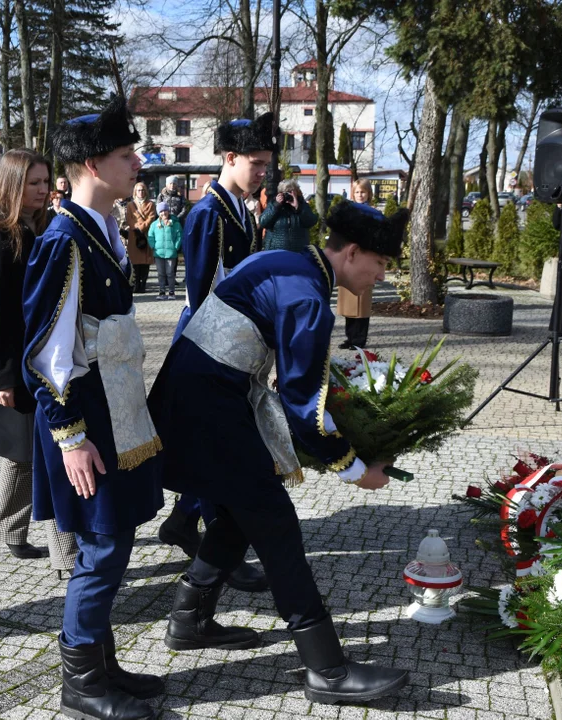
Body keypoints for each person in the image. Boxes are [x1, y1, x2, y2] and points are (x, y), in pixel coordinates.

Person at [148, 201, 412, 705]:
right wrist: (354, 469)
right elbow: (300, 401)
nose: (381, 277)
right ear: (353, 252)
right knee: (275, 522)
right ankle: (327, 670)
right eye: (379, 266)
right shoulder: (307, 294)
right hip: (210, 407)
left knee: (240, 509)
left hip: (199, 395)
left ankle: (189, 618)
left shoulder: (287, 259)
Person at [23, 95, 164, 720]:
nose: (138, 163)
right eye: (126, 154)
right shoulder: (65, 241)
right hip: (84, 421)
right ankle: (80, 681)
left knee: (115, 539)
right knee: (102, 547)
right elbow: (45, 353)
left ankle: (100, 662)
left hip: (114, 412)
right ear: (89, 163)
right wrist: (70, 437)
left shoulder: (100, 229)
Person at [158, 113, 275, 594]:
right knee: (218, 448)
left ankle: (184, 521)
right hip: (210, 345)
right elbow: (200, 292)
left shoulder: (240, 208)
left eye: (267, 163)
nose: (264, 171)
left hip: (231, 342)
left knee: (217, 445)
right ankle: (214, 553)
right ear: (229, 158)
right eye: (256, 162)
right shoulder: (210, 213)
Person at [0, 149, 79, 573]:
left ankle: (5, 530)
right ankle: (67, 555)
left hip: (36, 363)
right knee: (52, 452)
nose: (44, 188)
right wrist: (0, 376)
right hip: (15, 369)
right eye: (34, 182)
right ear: (13, 184)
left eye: (46, 180)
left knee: (26, 453)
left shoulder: (32, 228)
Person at [336, 179, 375, 348]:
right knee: (349, 300)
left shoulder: (373, 213)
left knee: (362, 301)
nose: (360, 195)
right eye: (357, 192)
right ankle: (350, 336)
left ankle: (360, 338)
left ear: (369, 194)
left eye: (363, 192)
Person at [259, 178, 318, 252]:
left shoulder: (302, 205)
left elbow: (311, 221)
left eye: (291, 192)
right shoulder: (274, 204)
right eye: (285, 193)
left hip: (298, 252)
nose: (288, 195)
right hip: (276, 251)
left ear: (297, 192)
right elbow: (263, 222)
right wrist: (276, 205)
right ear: (280, 193)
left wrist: (298, 207)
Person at [125, 181, 156, 293]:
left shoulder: (151, 204)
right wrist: (137, 227)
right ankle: (136, 284)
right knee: (135, 262)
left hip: (146, 236)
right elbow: (129, 219)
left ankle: (143, 284)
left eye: (143, 190)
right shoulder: (130, 205)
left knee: (145, 263)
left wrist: (142, 227)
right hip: (134, 236)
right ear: (135, 192)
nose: (141, 192)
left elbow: (151, 218)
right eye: (139, 190)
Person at [148, 201, 182, 300]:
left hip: (171, 253)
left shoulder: (175, 223)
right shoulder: (154, 224)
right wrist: (153, 246)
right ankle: (162, 291)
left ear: (168, 211)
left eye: (165, 210)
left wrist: (175, 247)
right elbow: (151, 236)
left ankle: (171, 291)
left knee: (170, 273)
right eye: (161, 211)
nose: (163, 213)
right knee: (161, 273)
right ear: (159, 213)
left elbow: (179, 235)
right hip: (158, 253)